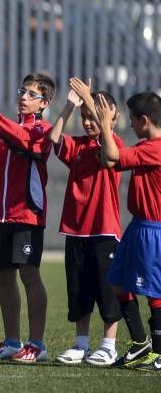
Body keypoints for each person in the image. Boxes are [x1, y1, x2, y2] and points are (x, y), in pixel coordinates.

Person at [0, 72, 55, 363]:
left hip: (26, 215)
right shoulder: (3, 131)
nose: (24, 97)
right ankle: (13, 342)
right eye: (22, 91)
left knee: (29, 274)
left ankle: (37, 344)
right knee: (4, 276)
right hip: (0, 217)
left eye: (31, 94)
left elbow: (25, 143)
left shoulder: (43, 129)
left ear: (44, 103)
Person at [50, 78, 123, 366]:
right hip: (76, 229)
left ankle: (109, 345)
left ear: (109, 117)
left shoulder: (114, 143)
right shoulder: (78, 145)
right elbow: (54, 140)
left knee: (107, 290)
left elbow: (109, 159)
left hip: (104, 229)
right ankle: (81, 344)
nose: (88, 122)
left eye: (94, 118)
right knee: (78, 290)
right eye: (85, 118)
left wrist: (91, 101)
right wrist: (71, 105)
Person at [97, 91, 161, 371]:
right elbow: (110, 160)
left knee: (154, 291)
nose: (130, 126)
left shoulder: (155, 148)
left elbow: (111, 155)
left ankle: (158, 354)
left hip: (153, 229)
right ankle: (140, 344)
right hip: (138, 226)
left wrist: (104, 124)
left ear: (144, 120)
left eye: (133, 120)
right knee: (118, 282)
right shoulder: (147, 145)